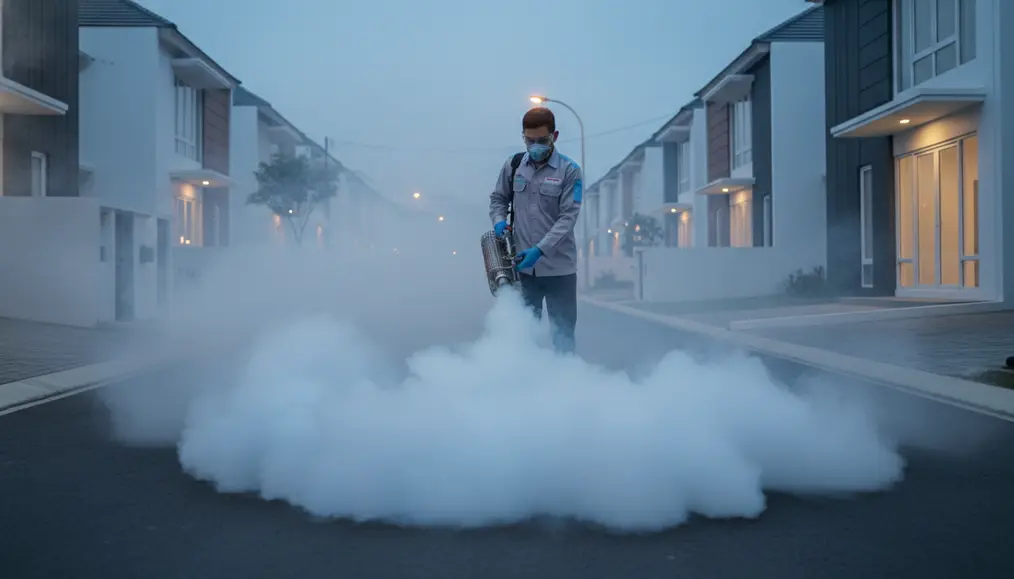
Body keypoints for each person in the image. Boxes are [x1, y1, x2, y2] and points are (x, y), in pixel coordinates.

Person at [488, 107, 583, 354]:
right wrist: (499, 221)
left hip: (559, 271)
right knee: (523, 338)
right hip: (523, 271)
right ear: (523, 136)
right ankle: (527, 386)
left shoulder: (570, 171)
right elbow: (498, 199)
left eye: (542, 140)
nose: (535, 146)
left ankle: (567, 385)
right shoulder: (514, 165)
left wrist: (540, 250)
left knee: (563, 339)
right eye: (529, 140)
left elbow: (567, 218)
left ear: (555, 136)